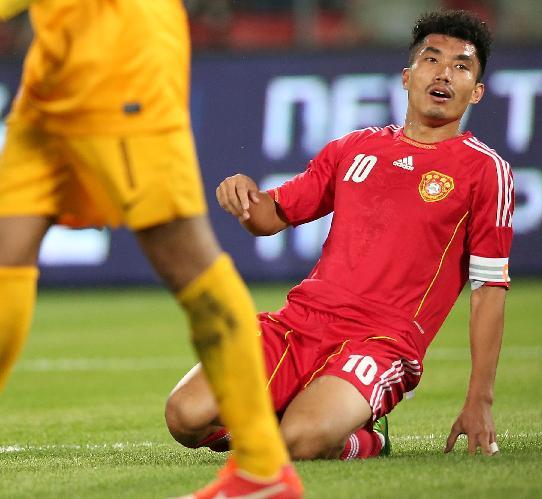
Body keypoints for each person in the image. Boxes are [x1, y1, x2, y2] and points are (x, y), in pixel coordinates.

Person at [165, 9, 513, 460]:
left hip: (380, 343)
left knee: (300, 440)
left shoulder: (485, 172)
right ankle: (295, 417)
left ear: (477, 92)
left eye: (462, 66)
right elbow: (271, 217)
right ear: (407, 77)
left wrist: (479, 400)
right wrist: (245, 197)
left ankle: (367, 437)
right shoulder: (353, 150)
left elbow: (489, 289)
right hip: (298, 326)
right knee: (185, 416)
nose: (444, 73)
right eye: (432, 60)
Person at [0, 1, 302, 497]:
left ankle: (263, 468)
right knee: (6, 253)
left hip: (123, 57)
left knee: (184, 255)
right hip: (56, 63)